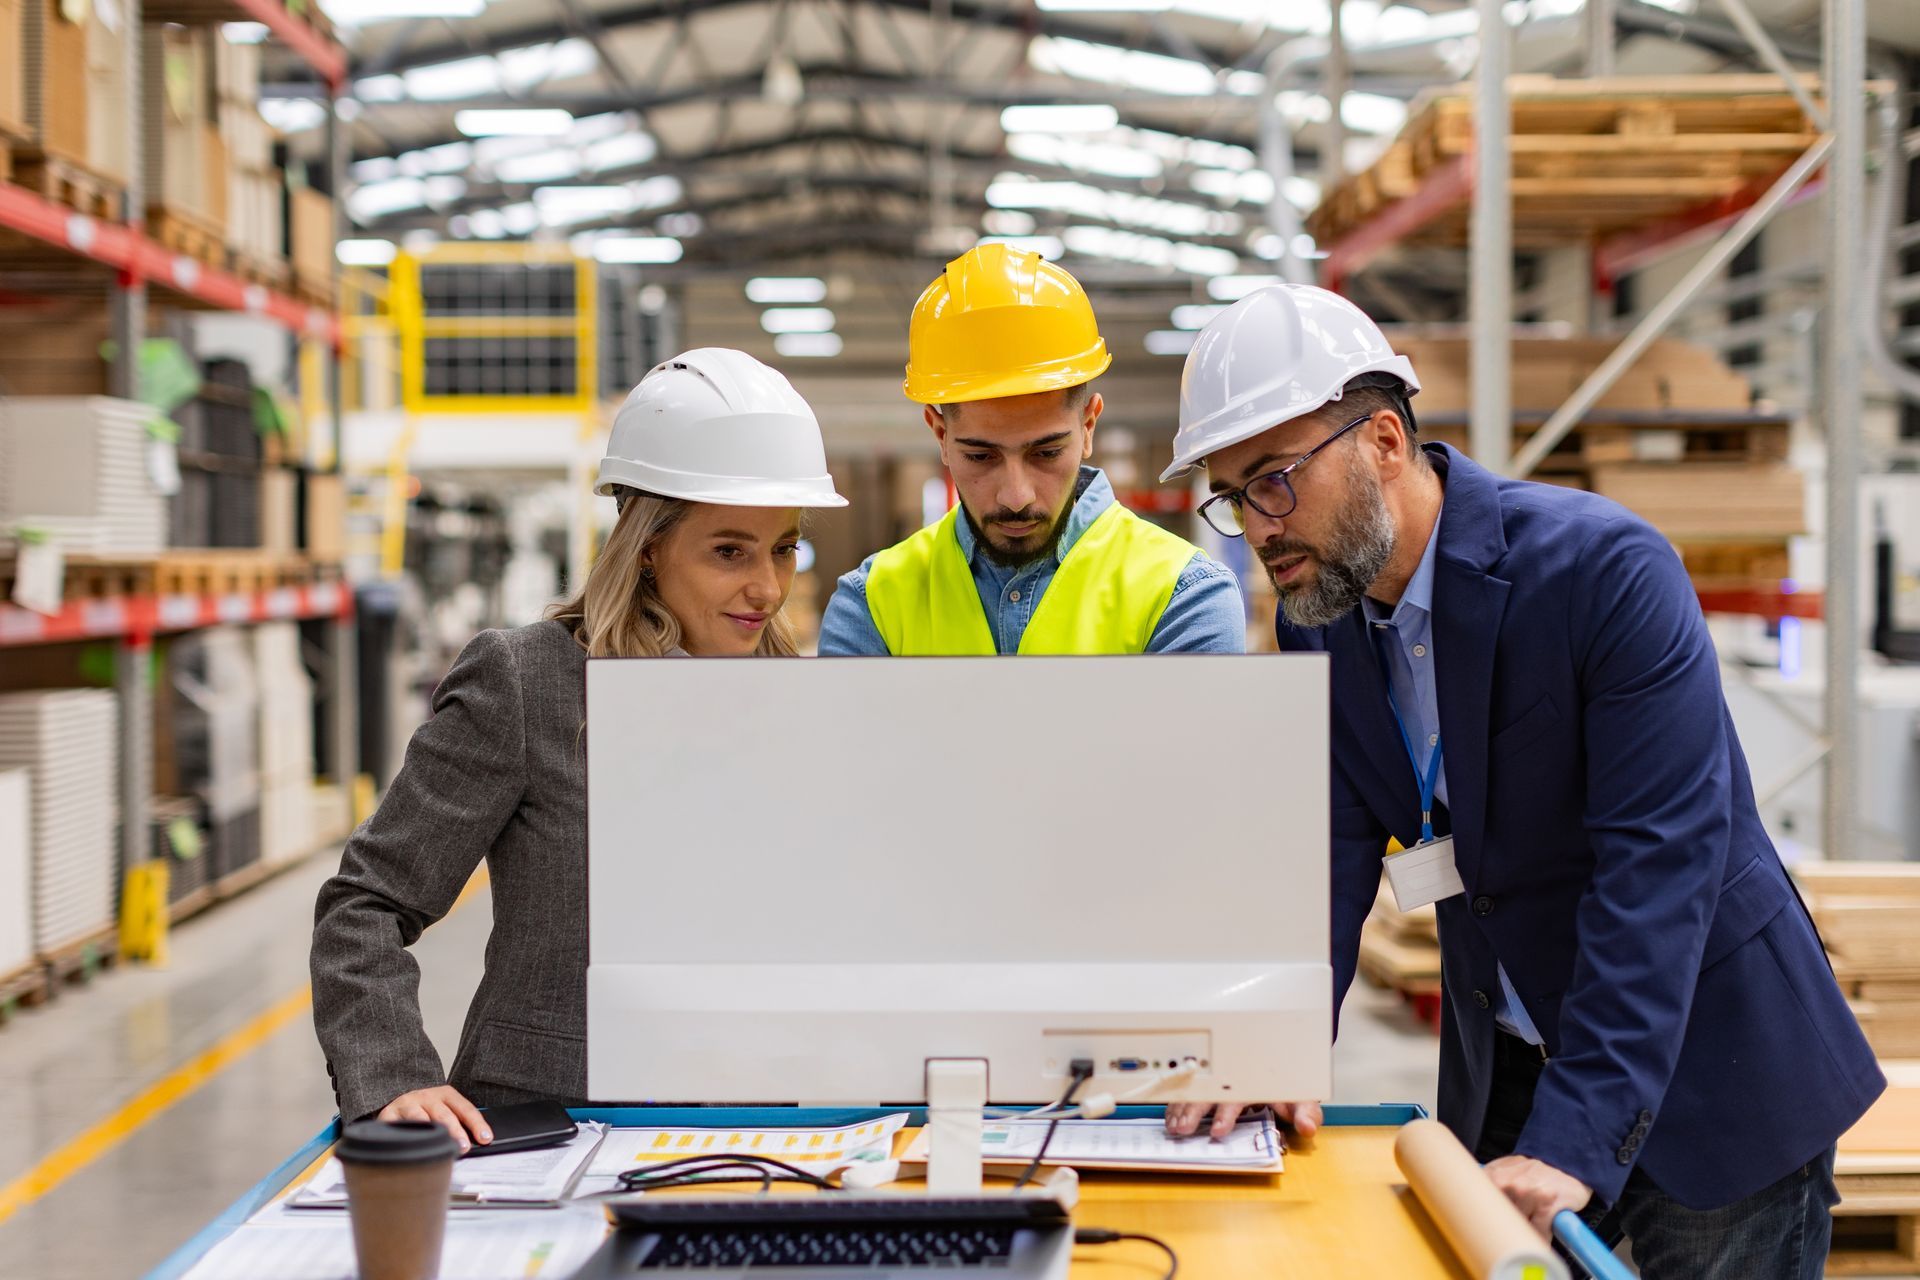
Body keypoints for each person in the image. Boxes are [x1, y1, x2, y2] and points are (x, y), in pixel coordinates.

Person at [1159, 285, 1884, 1278]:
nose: (1257, 525)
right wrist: (1273, 1042)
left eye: (1275, 480)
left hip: (1711, 1074)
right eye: (1234, 495)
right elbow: (1325, 851)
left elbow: (1657, 869)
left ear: (1381, 439)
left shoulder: (1603, 574)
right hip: (1508, 1059)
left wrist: (1575, 1137)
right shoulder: (1317, 621)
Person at [310, 349, 847, 1150]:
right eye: (729, 551)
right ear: (647, 545)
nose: (767, 588)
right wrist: (394, 1074)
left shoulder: (788, 698)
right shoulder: (528, 683)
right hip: (550, 1116)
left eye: (783, 548)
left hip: (749, 1113)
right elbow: (365, 907)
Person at [818, 244, 1243, 655]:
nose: (1016, 497)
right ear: (939, 435)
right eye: (981, 457)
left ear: (1088, 425)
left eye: (1046, 453)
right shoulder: (870, 605)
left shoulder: (1184, 597)